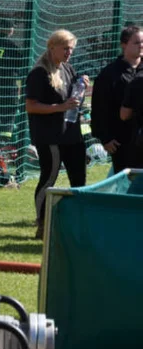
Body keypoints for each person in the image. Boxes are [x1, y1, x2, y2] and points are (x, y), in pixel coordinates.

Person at [26, 30, 89, 238]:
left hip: (70, 134)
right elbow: (31, 106)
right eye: (65, 48)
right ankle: (42, 223)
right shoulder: (39, 72)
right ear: (52, 47)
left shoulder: (68, 68)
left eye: (71, 48)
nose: (69, 52)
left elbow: (72, 97)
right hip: (49, 136)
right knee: (49, 176)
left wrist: (83, 86)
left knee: (79, 176)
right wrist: (60, 107)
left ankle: (80, 222)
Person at [91, 25, 143, 173]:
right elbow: (99, 108)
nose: (141, 46)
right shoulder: (110, 74)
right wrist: (105, 138)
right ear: (124, 44)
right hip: (122, 140)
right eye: (137, 42)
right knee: (126, 183)